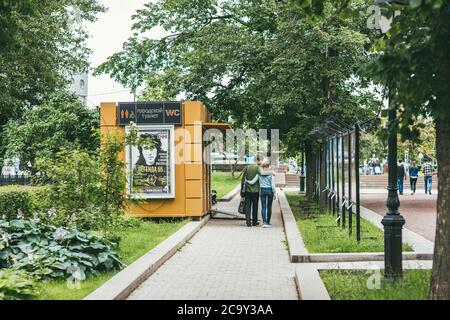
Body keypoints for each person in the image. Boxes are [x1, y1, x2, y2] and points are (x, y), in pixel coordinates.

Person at [241, 155, 263, 227]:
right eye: (260, 160)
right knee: (255, 206)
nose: (260, 162)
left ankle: (248, 222)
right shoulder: (258, 168)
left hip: (247, 190)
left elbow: (243, 180)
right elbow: (262, 175)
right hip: (255, 191)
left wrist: (242, 191)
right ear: (257, 160)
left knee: (248, 206)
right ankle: (254, 221)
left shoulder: (247, 167)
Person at [259, 161, 276, 228]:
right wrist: (274, 193)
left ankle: (264, 222)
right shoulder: (271, 174)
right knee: (269, 207)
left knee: (263, 207)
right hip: (269, 191)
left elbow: (253, 181)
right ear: (268, 166)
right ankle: (268, 222)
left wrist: (248, 181)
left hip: (262, 190)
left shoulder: (260, 174)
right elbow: (273, 185)